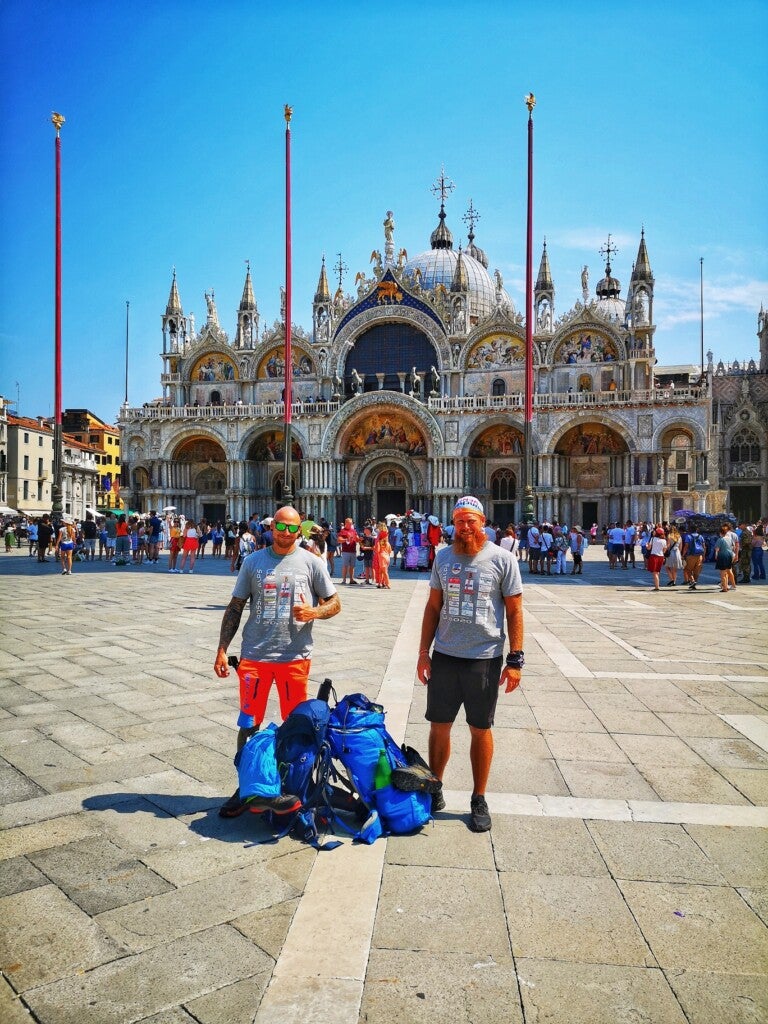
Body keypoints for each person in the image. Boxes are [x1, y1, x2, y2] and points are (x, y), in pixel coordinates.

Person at [214, 505, 341, 817]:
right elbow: (235, 607)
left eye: (291, 528)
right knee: (249, 725)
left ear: (300, 530)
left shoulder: (311, 562)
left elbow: (335, 603)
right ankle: (246, 787)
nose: (285, 533)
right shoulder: (254, 561)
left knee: (296, 725)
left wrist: (314, 612)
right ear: (271, 528)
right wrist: (221, 649)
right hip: (254, 657)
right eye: (280, 527)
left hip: (294, 659)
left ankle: (292, 785)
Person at [416, 496, 524, 833]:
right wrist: (423, 652)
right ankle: (435, 787)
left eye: (471, 521)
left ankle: (479, 797)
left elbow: (515, 610)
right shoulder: (443, 557)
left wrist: (515, 659)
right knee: (439, 725)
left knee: (481, 728)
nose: (464, 527)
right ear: (453, 523)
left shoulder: (503, 560)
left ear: (483, 522)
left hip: (485, 658)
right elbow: (433, 607)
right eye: (459, 521)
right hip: (446, 656)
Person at [715, 523, 736, 592]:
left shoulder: (720, 539)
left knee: (722, 573)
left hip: (722, 556)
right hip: (730, 555)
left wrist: (716, 556)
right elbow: (734, 547)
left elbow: (717, 549)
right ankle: (730, 585)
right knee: (728, 571)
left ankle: (724, 588)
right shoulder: (730, 539)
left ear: (720, 533)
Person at [338, 517, 360, 585]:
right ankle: (344, 580)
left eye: (351, 523)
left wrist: (358, 539)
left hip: (353, 550)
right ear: (346, 523)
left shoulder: (353, 530)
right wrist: (346, 540)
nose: (351, 525)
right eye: (350, 523)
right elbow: (339, 540)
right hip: (346, 551)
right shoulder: (342, 531)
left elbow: (357, 539)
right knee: (345, 566)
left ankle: (351, 579)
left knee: (352, 566)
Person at [645, 526, 667, 591]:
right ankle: (657, 585)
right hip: (661, 556)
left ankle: (657, 587)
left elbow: (648, 548)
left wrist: (646, 545)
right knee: (657, 572)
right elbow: (664, 550)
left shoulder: (653, 539)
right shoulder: (664, 540)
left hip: (654, 556)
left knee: (655, 573)